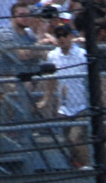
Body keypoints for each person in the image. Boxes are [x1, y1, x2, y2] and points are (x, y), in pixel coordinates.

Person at [37, 23, 90, 167]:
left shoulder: (82, 55)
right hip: (64, 107)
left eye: (64, 35)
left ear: (71, 36)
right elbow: (51, 79)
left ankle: (88, 167)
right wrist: (46, 99)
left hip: (82, 105)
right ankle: (76, 168)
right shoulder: (53, 55)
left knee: (76, 138)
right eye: (58, 35)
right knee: (67, 142)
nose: (61, 38)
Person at [0, 3, 40, 77]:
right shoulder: (4, 33)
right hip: (2, 76)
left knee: (47, 77)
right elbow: (20, 55)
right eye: (22, 15)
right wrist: (39, 47)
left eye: (28, 15)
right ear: (12, 17)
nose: (26, 18)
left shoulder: (29, 35)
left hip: (23, 74)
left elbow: (43, 55)